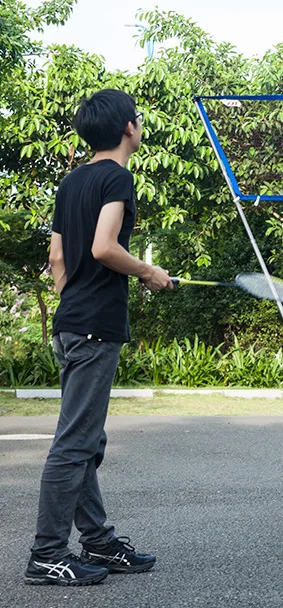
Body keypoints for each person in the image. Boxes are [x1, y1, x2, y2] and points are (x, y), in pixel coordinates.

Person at [25, 89, 173, 587]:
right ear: (128, 128)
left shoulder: (71, 183)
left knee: (86, 439)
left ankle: (98, 541)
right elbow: (104, 247)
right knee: (74, 444)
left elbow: (59, 260)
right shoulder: (117, 177)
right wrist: (149, 272)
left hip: (72, 323)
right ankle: (47, 554)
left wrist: (72, 303)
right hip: (93, 327)